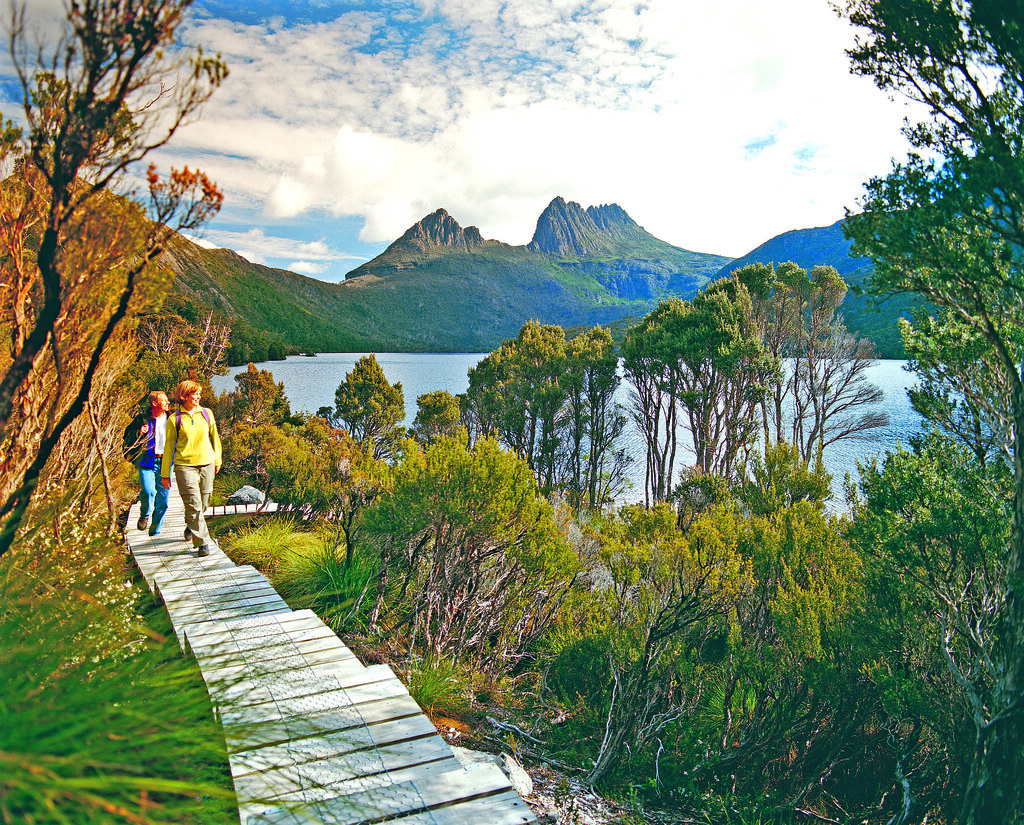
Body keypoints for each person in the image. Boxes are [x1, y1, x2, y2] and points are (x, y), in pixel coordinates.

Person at [161, 380, 222, 557]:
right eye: (195, 394)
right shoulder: (174, 419)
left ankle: (191, 525)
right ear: (184, 396)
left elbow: (215, 439)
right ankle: (203, 543)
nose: (199, 397)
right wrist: (165, 474)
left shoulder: (207, 414)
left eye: (199, 394)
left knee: (204, 501)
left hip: (207, 463)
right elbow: (168, 448)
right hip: (184, 466)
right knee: (193, 504)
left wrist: (217, 459)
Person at [123, 390, 171, 535]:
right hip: (146, 461)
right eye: (164, 400)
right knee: (148, 491)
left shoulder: (172, 419)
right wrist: (139, 432)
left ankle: (155, 530)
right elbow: (127, 436)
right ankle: (145, 515)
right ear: (154, 403)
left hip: (165, 462)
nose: (168, 402)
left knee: (163, 497)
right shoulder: (142, 420)